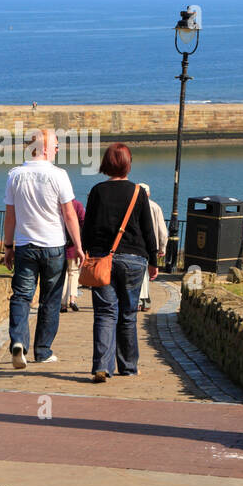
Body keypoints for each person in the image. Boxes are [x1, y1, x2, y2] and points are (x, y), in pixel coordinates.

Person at [3, 128, 83, 369]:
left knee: (22, 296)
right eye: (56, 145)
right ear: (45, 148)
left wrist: (8, 246)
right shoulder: (59, 175)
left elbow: (10, 216)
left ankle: (18, 342)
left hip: (26, 245)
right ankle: (43, 350)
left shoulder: (15, 175)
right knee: (50, 299)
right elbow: (69, 214)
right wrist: (78, 245)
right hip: (54, 246)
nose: (58, 150)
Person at [83, 143, 158, 382]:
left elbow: (89, 227)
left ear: (106, 163)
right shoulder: (137, 192)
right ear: (128, 163)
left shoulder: (97, 191)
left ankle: (101, 366)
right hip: (134, 259)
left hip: (103, 258)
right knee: (128, 314)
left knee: (105, 313)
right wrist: (153, 261)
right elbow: (148, 230)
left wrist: (85, 251)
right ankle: (128, 366)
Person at [137, 182, 168, 311]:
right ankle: (144, 301)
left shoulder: (131, 206)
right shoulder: (155, 207)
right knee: (146, 273)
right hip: (151, 245)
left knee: (140, 273)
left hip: (136, 245)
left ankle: (140, 300)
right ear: (149, 193)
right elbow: (162, 230)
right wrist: (162, 247)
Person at [60, 197, 86, 312]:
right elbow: (83, 222)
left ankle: (63, 303)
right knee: (74, 273)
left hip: (59, 245)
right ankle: (72, 299)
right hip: (74, 246)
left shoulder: (58, 205)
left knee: (63, 275)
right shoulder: (77, 205)